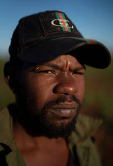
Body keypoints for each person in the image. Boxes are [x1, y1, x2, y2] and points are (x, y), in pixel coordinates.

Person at [0, 10, 111, 166]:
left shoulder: (85, 142)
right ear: (11, 77)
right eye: (48, 71)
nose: (70, 87)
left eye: (77, 72)